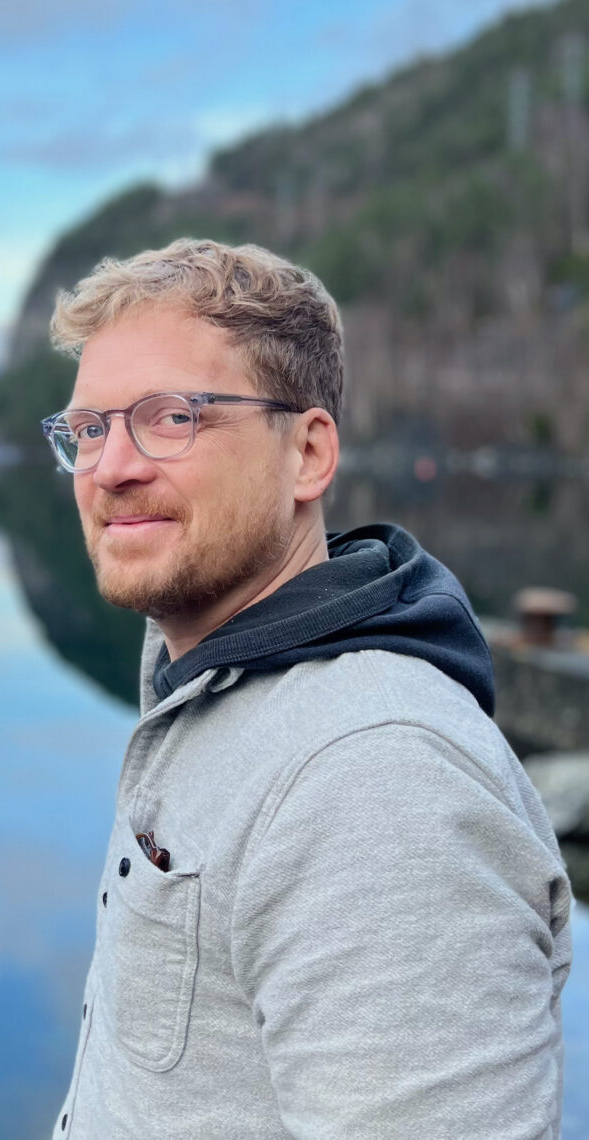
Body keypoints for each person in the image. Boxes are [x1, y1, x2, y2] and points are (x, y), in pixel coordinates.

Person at [39, 238, 571, 1139]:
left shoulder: (372, 777)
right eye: (88, 428)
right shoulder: (208, 686)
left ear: (308, 454)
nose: (110, 467)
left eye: (171, 418)